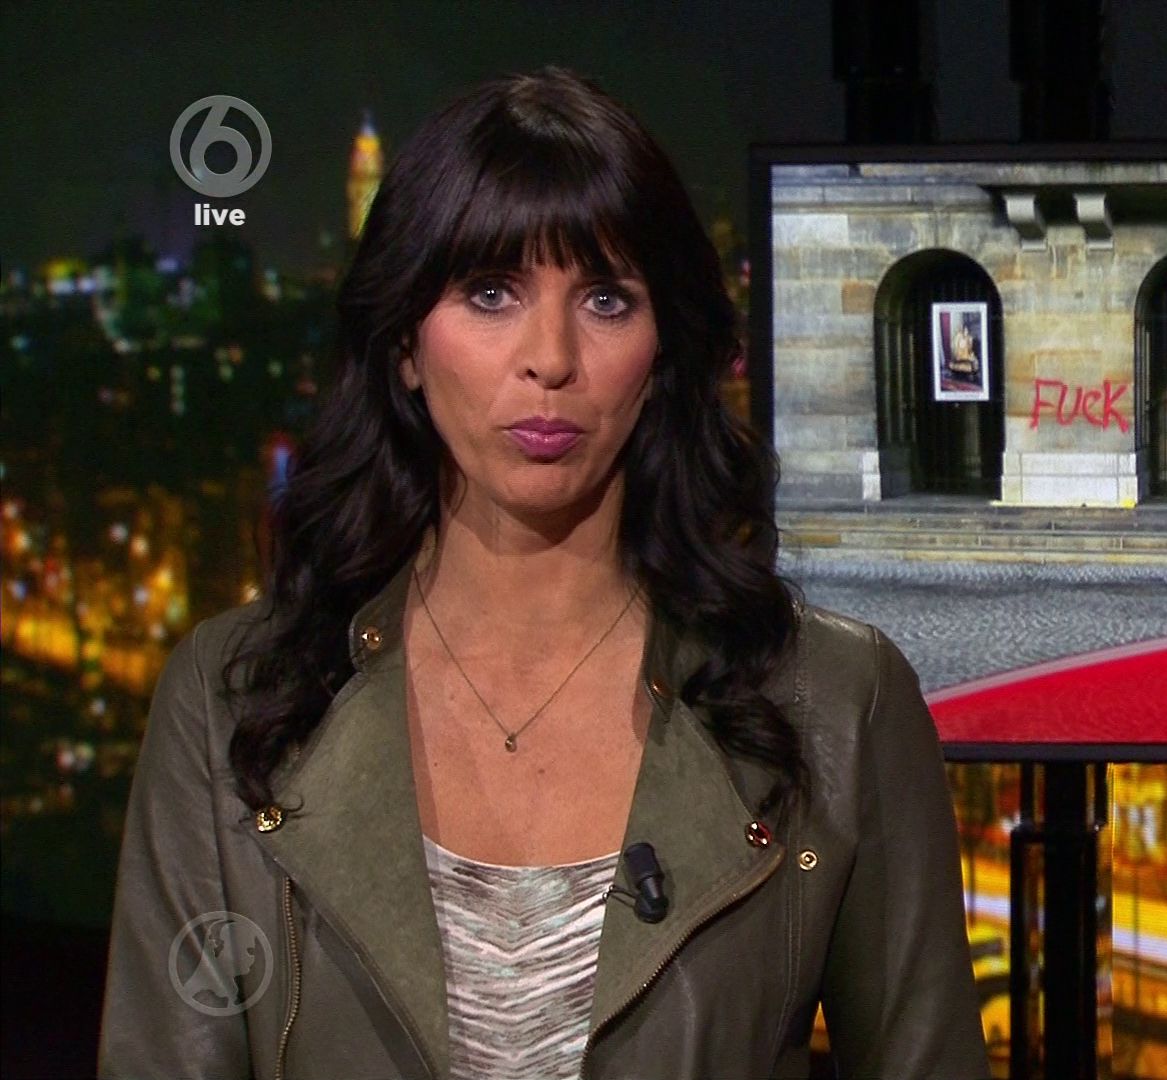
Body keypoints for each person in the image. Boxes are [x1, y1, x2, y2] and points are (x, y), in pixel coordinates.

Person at [98, 66, 989, 1080]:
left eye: (606, 299)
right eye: (491, 293)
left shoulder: (835, 702)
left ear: (662, 351)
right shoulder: (232, 701)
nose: (550, 357)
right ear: (405, 342)